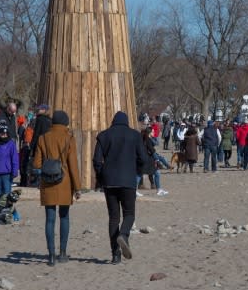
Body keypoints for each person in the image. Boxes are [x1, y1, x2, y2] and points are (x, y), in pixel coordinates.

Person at [92, 111, 147, 265]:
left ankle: (115, 255)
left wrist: (101, 175)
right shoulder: (135, 135)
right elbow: (143, 158)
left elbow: (96, 160)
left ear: (113, 121)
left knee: (114, 218)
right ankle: (124, 235)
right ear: (127, 121)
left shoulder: (104, 135)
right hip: (128, 180)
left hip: (109, 181)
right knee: (129, 214)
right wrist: (137, 172)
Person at [33, 110, 81, 265]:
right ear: (65, 122)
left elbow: (36, 164)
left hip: (48, 182)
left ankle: (51, 255)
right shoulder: (69, 138)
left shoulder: (43, 138)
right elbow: (73, 165)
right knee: (64, 217)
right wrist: (78, 187)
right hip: (65, 182)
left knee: (50, 219)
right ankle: (62, 253)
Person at [140, 128, 168, 196]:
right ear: (149, 133)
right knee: (139, 175)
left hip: (146, 159)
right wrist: (157, 160)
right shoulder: (148, 140)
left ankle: (158, 189)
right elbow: (152, 151)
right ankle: (159, 190)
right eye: (152, 131)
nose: (153, 132)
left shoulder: (144, 139)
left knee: (139, 174)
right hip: (148, 160)